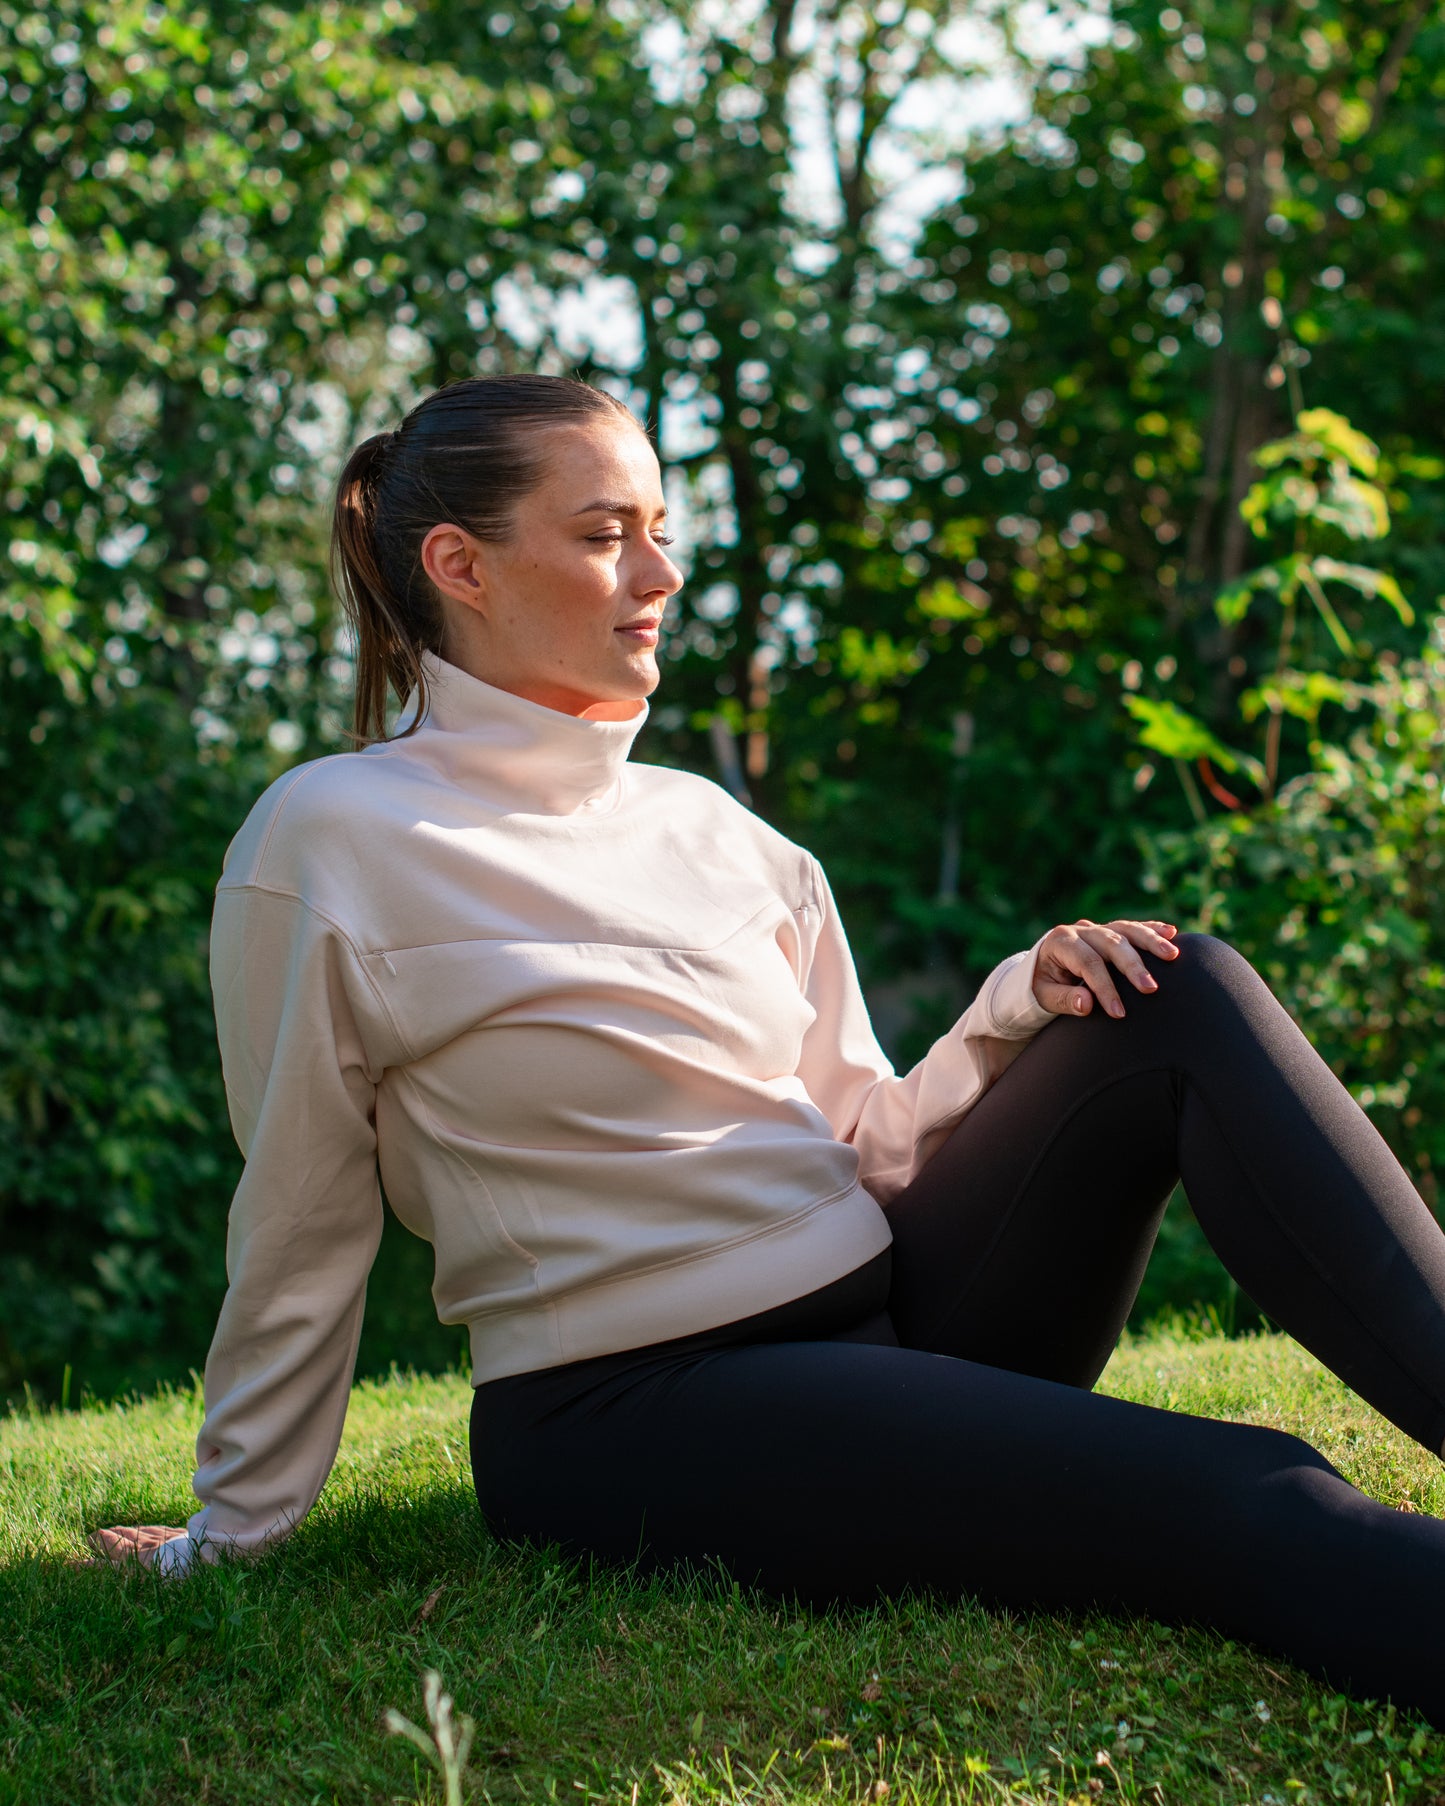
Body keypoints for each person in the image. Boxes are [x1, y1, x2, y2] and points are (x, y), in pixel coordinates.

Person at [94, 375, 1445, 1727]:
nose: (661, 572)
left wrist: (1014, 1007)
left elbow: (864, 1139)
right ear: (462, 564)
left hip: (895, 1318)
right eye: (604, 532)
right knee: (1234, 1488)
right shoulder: (330, 838)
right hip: (638, 1409)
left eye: (660, 527)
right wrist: (234, 1521)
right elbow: (300, 1212)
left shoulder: (718, 830)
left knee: (1175, 985)